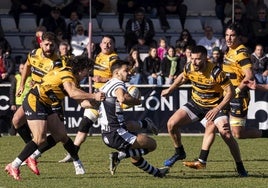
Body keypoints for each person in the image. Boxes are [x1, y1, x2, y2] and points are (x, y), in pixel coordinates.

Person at [5, 55, 106, 181]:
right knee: (39, 139)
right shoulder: (68, 75)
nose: (88, 74)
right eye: (87, 71)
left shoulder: (70, 76)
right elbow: (73, 93)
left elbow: (82, 102)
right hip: (35, 100)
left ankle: (77, 163)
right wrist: (93, 95)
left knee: (61, 135)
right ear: (81, 69)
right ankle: (14, 165)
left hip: (45, 103)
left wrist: (94, 103)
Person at [59, 35, 158, 163]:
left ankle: (73, 152)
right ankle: (73, 152)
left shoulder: (113, 58)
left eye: (110, 43)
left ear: (114, 45)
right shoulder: (98, 56)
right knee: (86, 124)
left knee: (112, 126)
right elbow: (87, 69)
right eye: (104, 42)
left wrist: (102, 79)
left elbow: (116, 77)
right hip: (98, 96)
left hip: (109, 97)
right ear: (100, 44)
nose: (106, 45)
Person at [161, 45, 248, 177]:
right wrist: (170, 89)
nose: (194, 62)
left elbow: (230, 92)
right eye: (192, 58)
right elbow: (182, 77)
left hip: (216, 105)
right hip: (196, 104)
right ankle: (179, 152)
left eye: (198, 59)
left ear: (205, 58)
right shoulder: (189, 66)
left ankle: (240, 166)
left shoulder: (216, 72)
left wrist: (217, 108)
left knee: (227, 135)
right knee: (171, 124)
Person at [99, 59, 169, 177]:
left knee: (135, 156)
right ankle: (119, 156)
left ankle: (157, 173)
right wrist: (137, 101)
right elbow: (123, 98)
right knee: (152, 145)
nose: (129, 73)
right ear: (117, 73)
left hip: (107, 132)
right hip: (116, 134)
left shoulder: (106, 85)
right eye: (126, 71)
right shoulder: (118, 84)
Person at [222, 23, 268, 139]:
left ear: (238, 37)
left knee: (238, 134)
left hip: (238, 95)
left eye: (232, 35)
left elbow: (249, 76)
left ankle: (266, 133)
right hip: (226, 92)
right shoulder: (228, 50)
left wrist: (236, 90)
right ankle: (203, 156)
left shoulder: (241, 53)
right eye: (227, 35)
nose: (228, 38)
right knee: (216, 124)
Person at [9, 62, 32, 135]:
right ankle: (12, 133)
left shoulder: (32, 78)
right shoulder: (17, 78)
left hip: (29, 102)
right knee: (16, 119)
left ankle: (29, 134)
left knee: (28, 120)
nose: (23, 70)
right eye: (21, 69)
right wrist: (12, 103)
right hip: (19, 102)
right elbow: (12, 91)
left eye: (24, 68)